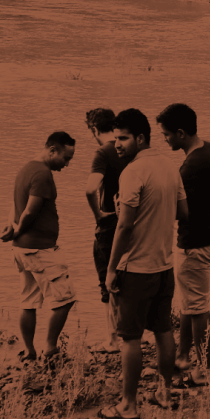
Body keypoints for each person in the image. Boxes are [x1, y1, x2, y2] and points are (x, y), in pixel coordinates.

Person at [102, 109, 188, 419]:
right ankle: (165, 392)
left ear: (140, 138)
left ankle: (128, 405)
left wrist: (111, 270)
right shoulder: (169, 165)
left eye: (123, 138)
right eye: (115, 139)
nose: (117, 145)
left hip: (135, 268)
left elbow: (124, 226)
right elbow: (183, 212)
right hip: (164, 266)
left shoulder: (132, 173)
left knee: (130, 338)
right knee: (163, 330)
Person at [157, 102, 210, 387]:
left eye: (166, 135)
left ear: (181, 133)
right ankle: (183, 356)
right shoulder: (209, 149)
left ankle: (203, 368)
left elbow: (178, 212)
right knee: (190, 302)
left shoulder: (190, 167)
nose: (165, 139)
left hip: (196, 245)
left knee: (197, 307)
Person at [1, 132, 77, 364]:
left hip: (23, 250)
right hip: (39, 249)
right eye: (66, 158)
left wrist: (11, 227)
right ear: (52, 150)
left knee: (29, 300)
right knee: (65, 298)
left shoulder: (26, 168)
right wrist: (18, 230)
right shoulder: (43, 174)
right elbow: (31, 210)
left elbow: (16, 204)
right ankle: (50, 348)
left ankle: (29, 351)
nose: (67, 164)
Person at [85, 108, 124, 353]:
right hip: (131, 221)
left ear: (94, 130)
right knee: (128, 276)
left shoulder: (103, 152)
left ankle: (112, 339)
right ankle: (132, 332)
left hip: (109, 223)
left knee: (107, 280)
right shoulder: (130, 149)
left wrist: (99, 214)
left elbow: (91, 189)